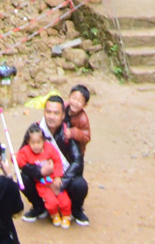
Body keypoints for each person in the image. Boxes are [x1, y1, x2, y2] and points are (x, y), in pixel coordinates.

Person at [47, 92, 91, 228]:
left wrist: (62, 182)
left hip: (66, 168)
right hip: (47, 175)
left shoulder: (72, 131)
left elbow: (78, 160)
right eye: (49, 112)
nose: (52, 116)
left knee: (79, 184)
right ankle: (40, 206)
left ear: (62, 116)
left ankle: (76, 208)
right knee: (24, 177)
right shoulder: (39, 129)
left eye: (56, 113)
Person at [16, 122, 71, 227]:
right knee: (51, 202)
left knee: (64, 200)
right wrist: (14, 157)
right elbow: (20, 161)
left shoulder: (49, 148)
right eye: (33, 143)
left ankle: (66, 215)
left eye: (39, 142)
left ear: (44, 141)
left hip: (54, 180)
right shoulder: (26, 151)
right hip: (42, 185)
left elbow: (58, 161)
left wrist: (58, 176)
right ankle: (54, 215)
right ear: (28, 142)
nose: (36, 146)